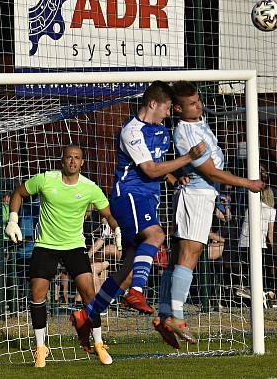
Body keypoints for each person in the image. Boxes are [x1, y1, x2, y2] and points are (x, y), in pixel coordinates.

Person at [70, 81, 206, 350]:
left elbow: (157, 167)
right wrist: (187, 158)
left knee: (128, 270)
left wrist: (172, 178)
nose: (169, 113)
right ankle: (136, 293)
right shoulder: (131, 130)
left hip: (147, 199)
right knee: (156, 235)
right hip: (128, 196)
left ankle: (87, 314)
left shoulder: (162, 133)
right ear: (153, 104)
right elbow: (149, 169)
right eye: (167, 107)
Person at [152, 79, 265, 347]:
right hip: (196, 196)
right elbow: (211, 172)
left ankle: (165, 314)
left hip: (202, 195)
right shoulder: (185, 132)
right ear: (177, 109)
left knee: (181, 256)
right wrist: (248, 183)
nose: (198, 106)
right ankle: (176, 317)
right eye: (191, 104)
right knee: (190, 255)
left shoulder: (198, 123)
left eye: (198, 100)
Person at [5, 145, 119, 367]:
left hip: (74, 246)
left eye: (77, 158)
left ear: (82, 162)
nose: (73, 161)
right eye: (69, 157)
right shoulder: (46, 179)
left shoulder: (90, 188)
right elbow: (19, 193)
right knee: (37, 293)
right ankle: (40, 348)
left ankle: (98, 343)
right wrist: (12, 220)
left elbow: (108, 214)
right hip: (45, 245)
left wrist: (117, 229)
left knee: (89, 293)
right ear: (62, 160)